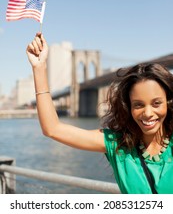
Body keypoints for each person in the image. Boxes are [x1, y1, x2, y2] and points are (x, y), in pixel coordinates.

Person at [26, 33, 173, 194]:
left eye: (156, 103)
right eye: (138, 105)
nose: (148, 113)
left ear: (168, 102)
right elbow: (52, 128)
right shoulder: (118, 144)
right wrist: (39, 68)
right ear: (128, 107)